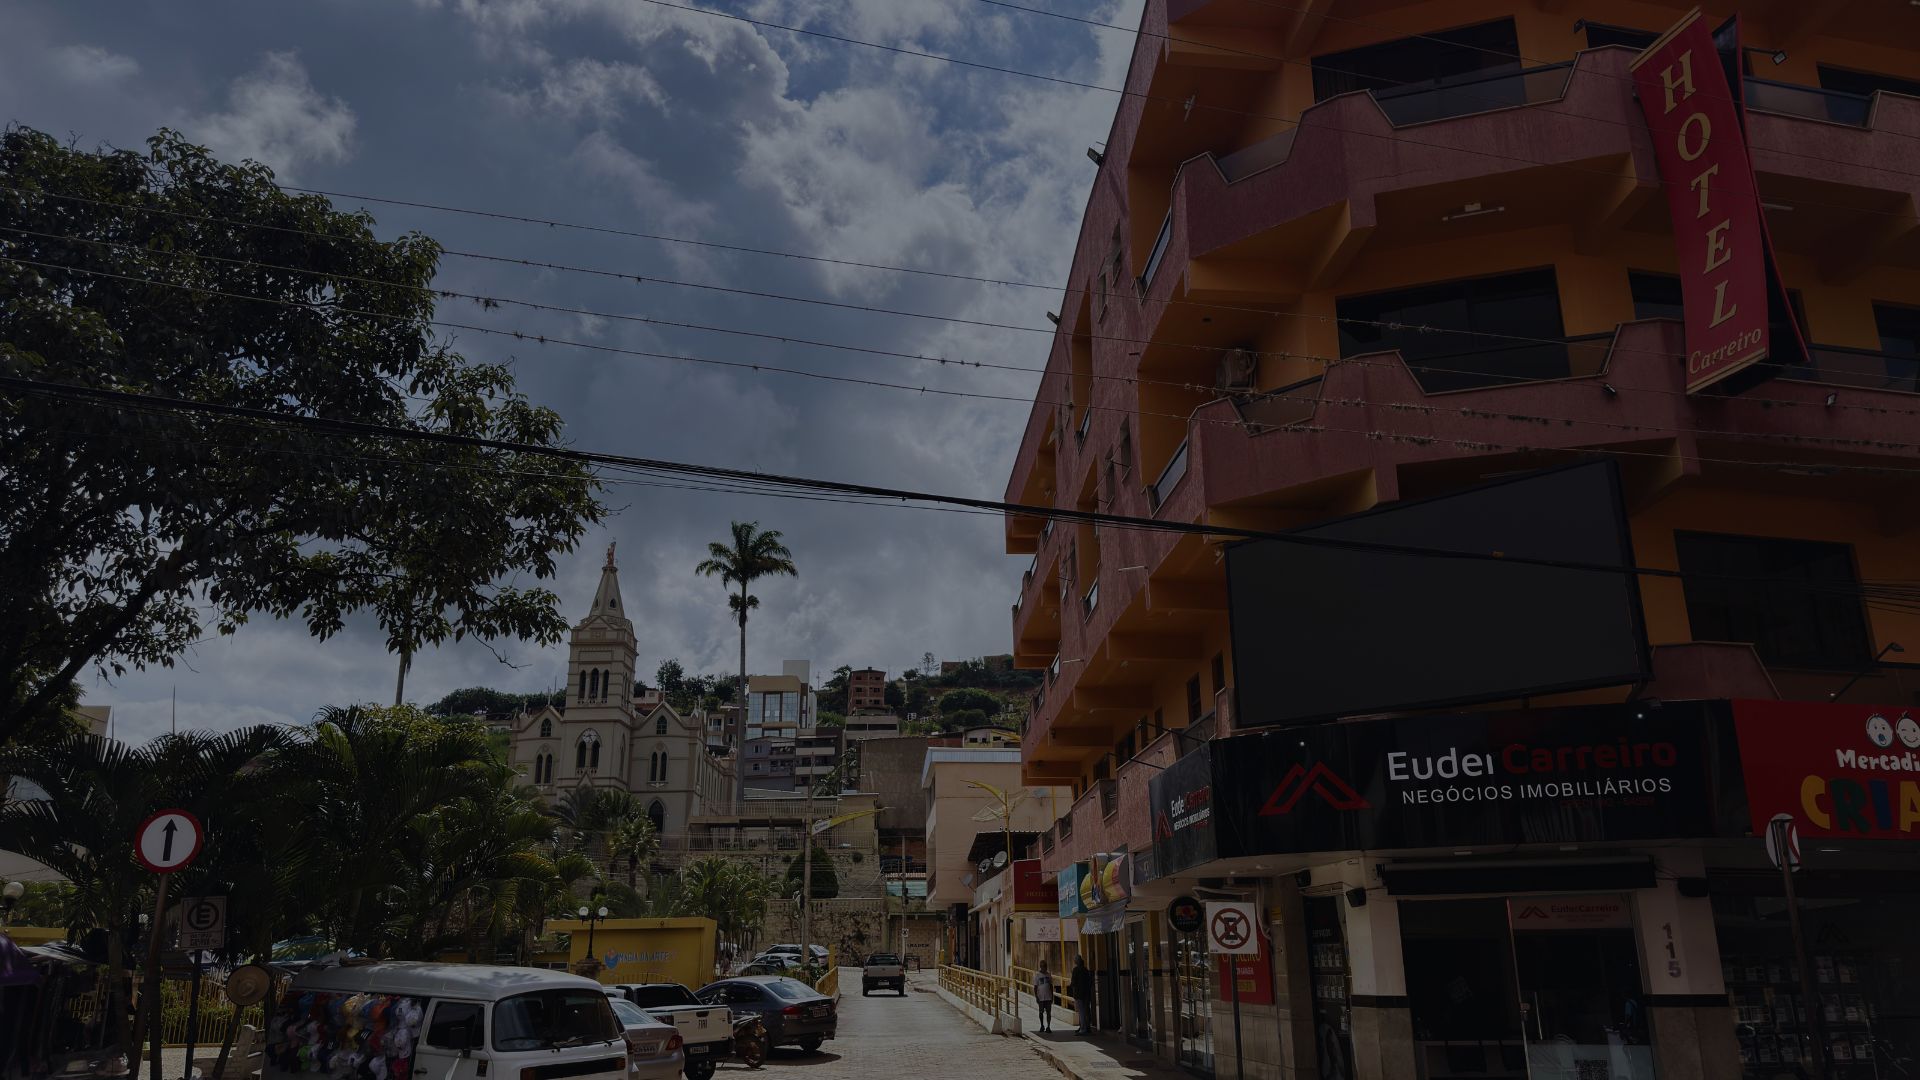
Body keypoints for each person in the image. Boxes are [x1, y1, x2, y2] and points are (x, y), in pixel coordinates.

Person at [1070, 956, 1094, 1035]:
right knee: (1086, 1010)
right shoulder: (1086, 970)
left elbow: (1073, 983)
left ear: (1076, 962)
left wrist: (1074, 993)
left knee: (1081, 1011)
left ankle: (1083, 1028)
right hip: (1086, 993)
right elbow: (1090, 982)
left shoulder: (1076, 970)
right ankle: (1087, 1027)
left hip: (1079, 994)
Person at [1033, 961, 1056, 1033]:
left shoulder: (1049, 975)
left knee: (1048, 1012)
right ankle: (1042, 1025)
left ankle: (1048, 1026)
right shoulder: (1037, 975)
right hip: (1041, 997)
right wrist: (1036, 996)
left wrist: (1052, 996)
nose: (1044, 967)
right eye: (1043, 966)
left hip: (1048, 997)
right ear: (1040, 967)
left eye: (1045, 966)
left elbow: (1051, 986)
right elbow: (1035, 987)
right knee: (1041, 1012)